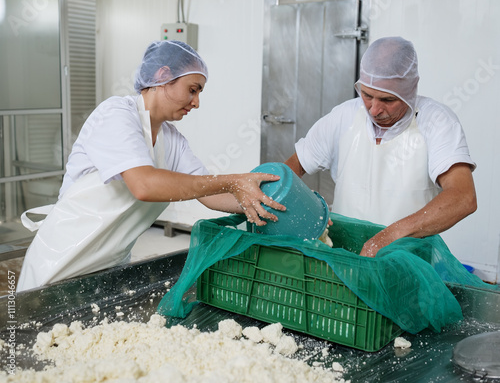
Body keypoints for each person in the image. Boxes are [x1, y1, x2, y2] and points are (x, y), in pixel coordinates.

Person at [17, 40, 285, 291]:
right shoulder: (115, 115)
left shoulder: (171, 140)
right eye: (192, 90)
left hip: (108, 267)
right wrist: (233, 180)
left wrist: (267, 202)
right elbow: (144, 185)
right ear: (162, 76)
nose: (197, 102)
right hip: (59, 265)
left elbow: (211, 194)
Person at [285, 36, 477, 257]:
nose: (374, 110)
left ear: (410, 91)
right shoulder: (343, 117)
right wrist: (303, 205)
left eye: (387, 100)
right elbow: (288, 171)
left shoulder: (437, 122)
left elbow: (463, 197)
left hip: (407, 263)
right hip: (346, 259)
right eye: (367, 95)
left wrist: (389, 236)